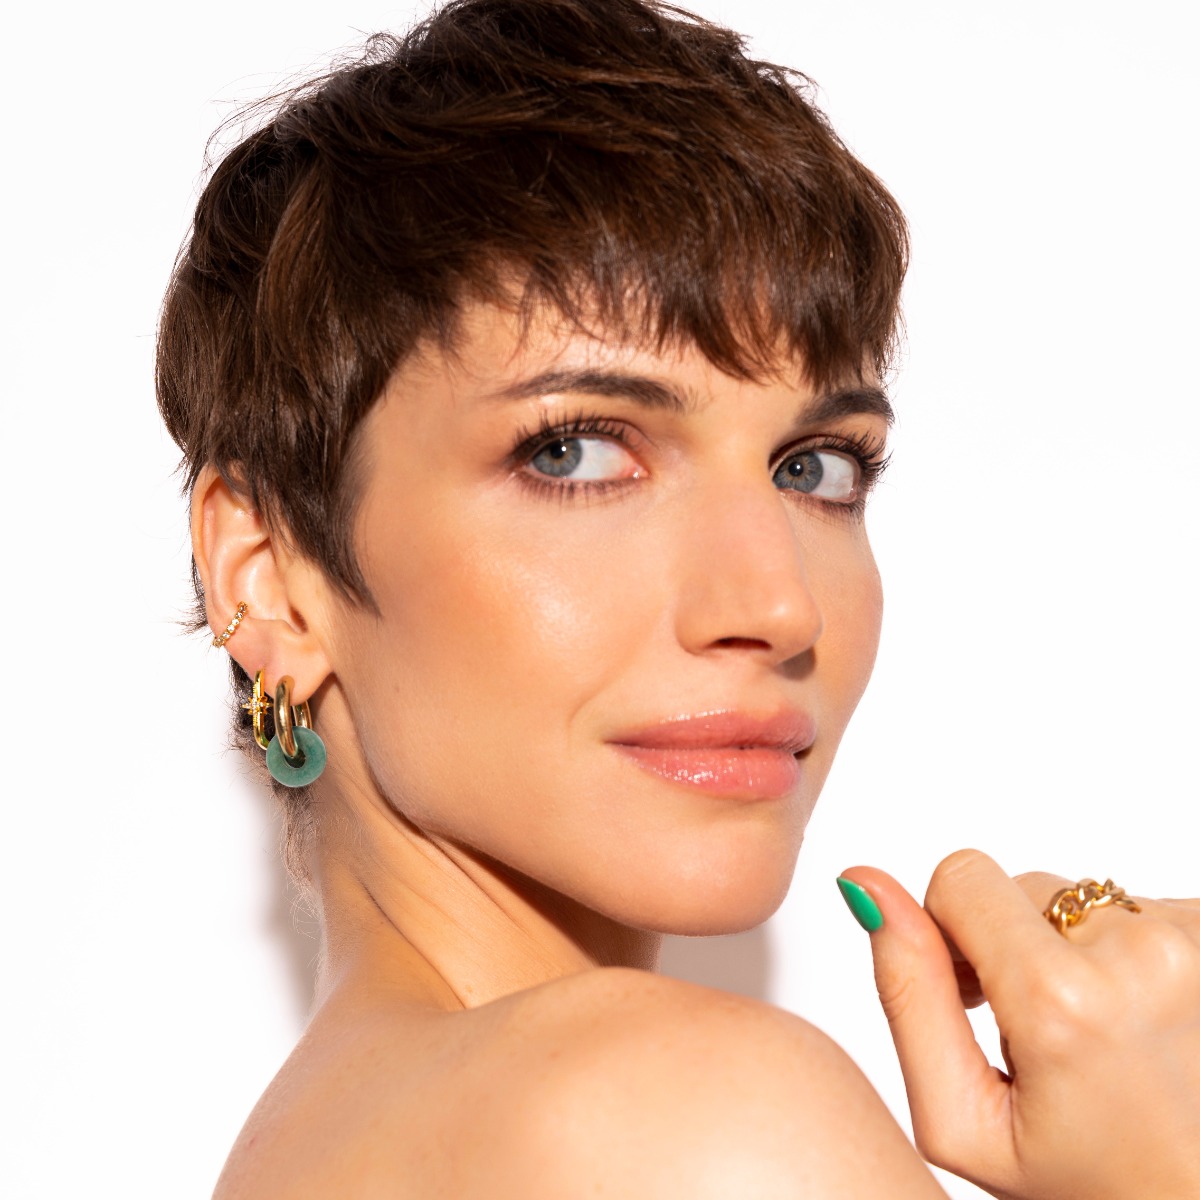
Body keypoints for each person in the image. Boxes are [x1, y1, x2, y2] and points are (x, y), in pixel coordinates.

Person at [158, 0, 1200, 1195]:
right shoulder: (696, 1116)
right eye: (575, 454)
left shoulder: (311, 1147)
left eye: (817, 468)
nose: (779, 605)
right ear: (269, 579)